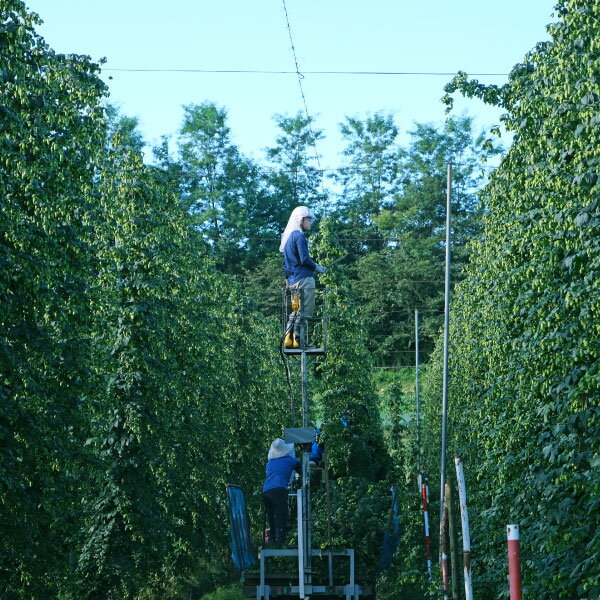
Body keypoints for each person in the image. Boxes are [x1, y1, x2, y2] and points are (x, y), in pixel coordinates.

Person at [280, 206, 327, 348]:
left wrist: (289, 280)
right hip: (304, 280)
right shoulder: (299, 236)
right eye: (308, 219)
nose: (310, 222)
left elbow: (285, 263)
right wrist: (317, 267)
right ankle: (298, 339)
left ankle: (288, 338)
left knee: (296, 309)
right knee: (305, 310)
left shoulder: (288, 238)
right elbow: (304, 259)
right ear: (300, 220)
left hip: (293, 281)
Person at [262, 438, 301, 546]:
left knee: (271, 518)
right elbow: (302, 472)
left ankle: (272, 541)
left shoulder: (270, 463)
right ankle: (281, 543)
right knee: (281, 516)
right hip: (279, 489)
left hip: (266, 491)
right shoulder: (291, 460)